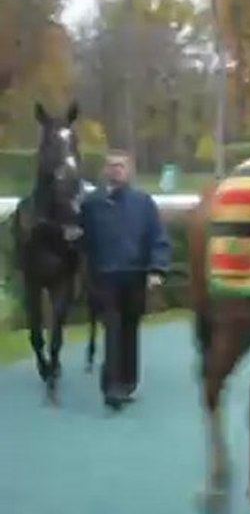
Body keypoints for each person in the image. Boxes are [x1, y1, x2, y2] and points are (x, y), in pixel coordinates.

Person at [80, 150, 171, 409]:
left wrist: (157, 269)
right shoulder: (91, 204)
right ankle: (111, 387)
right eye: (111, 166)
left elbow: (157, 238)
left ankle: (128, 382)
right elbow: (83, 239)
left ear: (129, 171)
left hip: (135, 276)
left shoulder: (143, 203)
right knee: (113, 328)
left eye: (120, 166)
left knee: (130, 330)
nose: (116, 170)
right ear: (104, 170)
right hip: (104, 277)